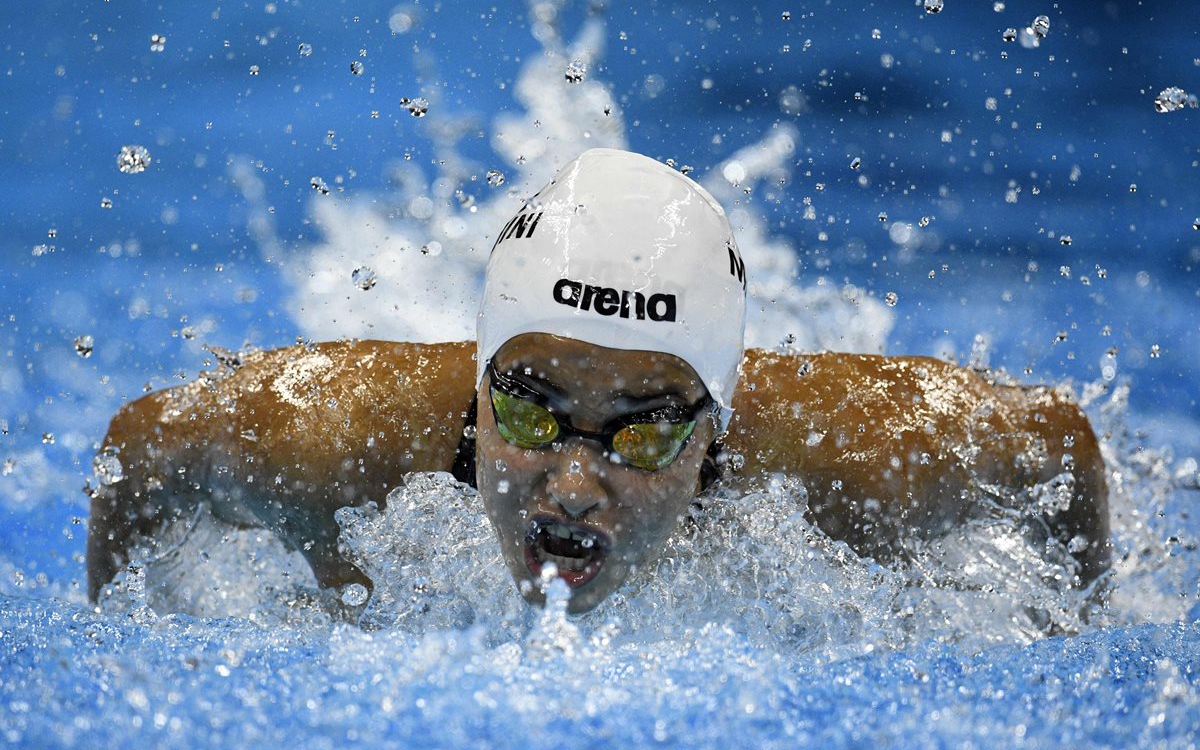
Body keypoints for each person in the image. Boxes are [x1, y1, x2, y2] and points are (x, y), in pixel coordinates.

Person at [87, 149, 1110, 614]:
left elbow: (1058, 441)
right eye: (529, 408)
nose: (572, 485)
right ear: (483, 383)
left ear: (715, 422)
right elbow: (137, 443)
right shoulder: (317, 439)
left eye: (644, 430)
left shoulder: (864, 461)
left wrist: (1083, 621)